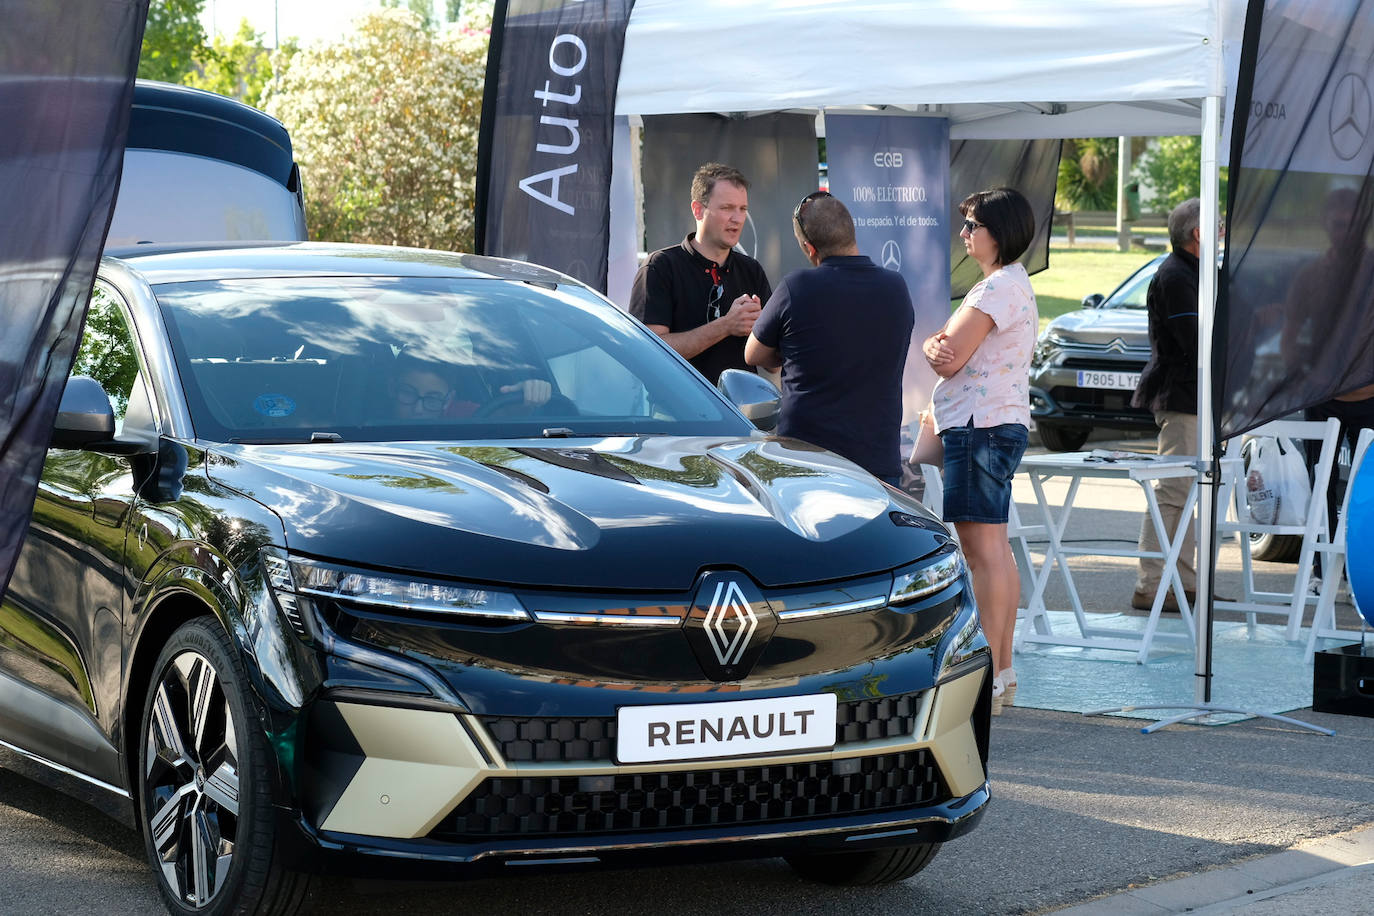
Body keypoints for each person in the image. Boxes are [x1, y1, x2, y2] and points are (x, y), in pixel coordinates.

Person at [922, 187, 1038, 715]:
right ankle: (1002, 669)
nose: (964, 234)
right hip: (995, 423)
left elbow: (947, 355)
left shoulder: (995, 289)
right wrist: (935, 345)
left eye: (972, 225)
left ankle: (989, 673)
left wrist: (935, 347)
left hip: (979, 426)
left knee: (981, 553)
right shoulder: (1009, 284)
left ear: (999, 232)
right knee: (995, 550)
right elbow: (941, 344)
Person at [743, 191, 913, 484]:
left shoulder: (797, 287)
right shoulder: (896, 287)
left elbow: (753, 354)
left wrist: (789, 350)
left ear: (810, 248)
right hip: (877, 459)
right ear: (851, 232)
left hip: (807, 458)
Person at [629, 162, 773, 383]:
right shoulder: (661, 266)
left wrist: (769, 334)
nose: (737, 218)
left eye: (743, 209)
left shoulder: (751, 270)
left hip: (741, 414)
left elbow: (772, 365)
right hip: (678, 412)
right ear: (698, 209)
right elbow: (649, 352)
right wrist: (726, 325)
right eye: (727, 208)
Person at [1130, 198, 1202, 614]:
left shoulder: (1190, 272)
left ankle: (1183, 583)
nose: (1222, 234)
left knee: (1189, 491)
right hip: (1182, 397)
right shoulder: (1176, 276)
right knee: (1174, 491)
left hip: (1195, 397)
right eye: (1217, 227)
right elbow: (1196, 342)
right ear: (1197, 235)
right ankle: (1152, 583)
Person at [389, 355, 551, 420]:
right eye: (408, 393)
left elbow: (502, 419)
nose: (418, 409)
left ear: (448, 400)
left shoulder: (462, 416)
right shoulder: (367, 419)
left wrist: (527, 396)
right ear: (391, 389)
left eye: (433, 399)